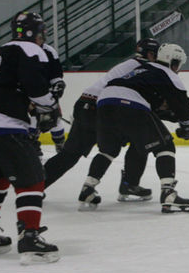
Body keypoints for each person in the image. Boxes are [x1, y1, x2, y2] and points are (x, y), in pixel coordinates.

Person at [0, 11, 60, 264]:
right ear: (37, 33)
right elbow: (35, 87)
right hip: (1, 124)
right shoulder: (32, 49)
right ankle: (30, 236)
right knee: (33, 180)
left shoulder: (2, 50)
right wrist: (49, 105)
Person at [77, 43, 189, 214]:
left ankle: (87, 189)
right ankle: (168, 193)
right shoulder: (168, 73)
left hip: (105, 102)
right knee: (165, 145)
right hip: (129, 103)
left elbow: (155, 108)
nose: (178, 69)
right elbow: (182, 105)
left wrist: (181, 120)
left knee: (109, 149)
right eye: (178, 65)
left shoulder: (143, 70)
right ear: (174, 62)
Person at [43, 38, 161, 202]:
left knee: (69, 154)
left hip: (85, 102)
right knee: (139, 140)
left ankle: (36, 186)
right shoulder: (146, 68)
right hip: (104, 108)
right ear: (150, 54)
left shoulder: (128, 64)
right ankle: (128, 184)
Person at [29, 40, 67, 159]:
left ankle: (60, 143)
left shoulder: (49, 51)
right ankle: (32, 145)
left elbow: (56, 74)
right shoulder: (20, 48)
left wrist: (58, 84)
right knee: (31, 119)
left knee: (54, 119)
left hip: (45, 93)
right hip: (26, 92)